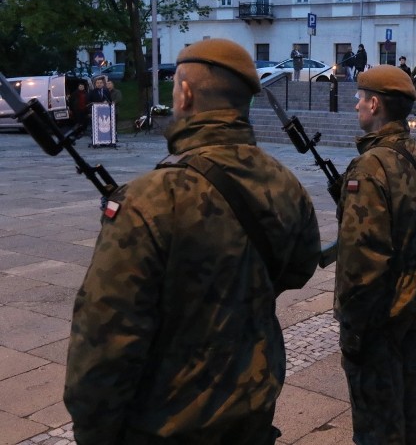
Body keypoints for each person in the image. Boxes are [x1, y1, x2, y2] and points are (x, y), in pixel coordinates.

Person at [64, 38, 322, 445]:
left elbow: (104, 341)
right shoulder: (285, 183)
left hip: (168, 423)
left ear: (184, 93)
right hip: (253, 407)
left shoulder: (149, 199)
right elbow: (300, 267)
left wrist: (93, 432)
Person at [335, 65, 416, 444]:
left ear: (375, 104)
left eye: (360, 98)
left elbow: (361, 263)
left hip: (381, 314)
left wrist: (354, 327)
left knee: (377, 418)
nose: (356, 105)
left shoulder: (370, 165)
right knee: (409, 403)